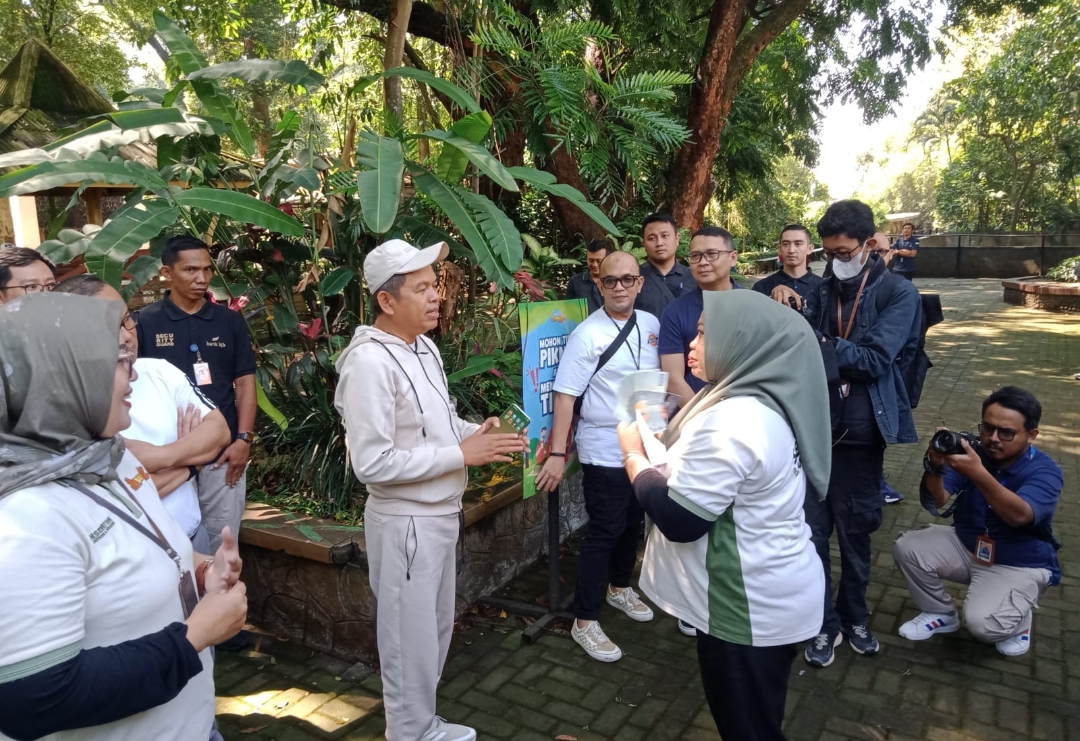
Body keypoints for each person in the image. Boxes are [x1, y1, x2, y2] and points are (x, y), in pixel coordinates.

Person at [0, 292, 246, 741]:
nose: (135, 374)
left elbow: (148, 546)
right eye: (119, 362)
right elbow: (31, 697)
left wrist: (201, 572)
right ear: (61, 376)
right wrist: (193, 637)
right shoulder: (24, 518)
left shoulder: (110, 456)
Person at [335, 239, 526, 741]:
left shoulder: (424, 347)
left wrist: (475, 434)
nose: (436, 295)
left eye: (434, 284)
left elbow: (436, 424)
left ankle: (422, 724)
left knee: (434, 630)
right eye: (421, 288)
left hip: (439, 516)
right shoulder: (368, 364)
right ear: (387, 301)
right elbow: (371, 463)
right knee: (407, 640)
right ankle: (409, 732)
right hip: (405, 523)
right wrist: (460, 456)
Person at [618, 290, 830, 741]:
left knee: (748, 730)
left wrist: (634, 458)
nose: (691, 345)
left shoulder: (736, 421)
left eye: (701, 334)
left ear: (741, 342)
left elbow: (681, 520)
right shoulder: (761, 396)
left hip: (746, 607)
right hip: (773, 587)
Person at [801, 200, 922, 668]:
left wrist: (822, 343)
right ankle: (822, 623)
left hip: (860, 436)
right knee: (812, 538)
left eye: (844, 250)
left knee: (855, 536)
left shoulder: (897, 293)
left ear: (869, 244)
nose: (836, 259)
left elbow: (876, 359)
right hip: (814, 432)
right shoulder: (821, 288)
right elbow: (798, 348)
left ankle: (854, 616)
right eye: (828, 251)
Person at [537, 251, 661, 662]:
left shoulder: (651, 325)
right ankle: (584, 620)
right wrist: (558, 452)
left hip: (643, 447)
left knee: (632, 523)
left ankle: (620, 587)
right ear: (600, 285)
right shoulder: (587, 335)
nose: (621, 287)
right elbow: (566, 395)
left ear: (640, 283)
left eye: (628, 279)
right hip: (605, 449)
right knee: (605, 529)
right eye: (611, 281)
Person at [56, 273, 232, 552]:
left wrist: (163, 457)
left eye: (127, 319)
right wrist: (191, 463)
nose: (127, 335)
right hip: (129, 556)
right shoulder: (65, 402)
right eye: (109, 326)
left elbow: (219, 430)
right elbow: (123, 498)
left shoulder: (158, 371)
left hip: (190, 538)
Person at [894, 387, 1062, 657]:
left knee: (983, 625)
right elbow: (938, 500)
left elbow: (1020, 516)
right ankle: (941, 614)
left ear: (1032, 435)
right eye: (987, 428)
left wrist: (978, 473)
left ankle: (1019, 622)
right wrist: (935, 465)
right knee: (908, 547)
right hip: (969, 546)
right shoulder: (976, 453)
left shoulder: (1045, 471)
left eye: (1006, 432)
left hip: (1018, 562)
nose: (993, 439)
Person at [135, 236, 257, 553]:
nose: (201, 278)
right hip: (169, 455)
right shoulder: (144, 323)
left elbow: (245, 383)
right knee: (173, 537)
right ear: (167, 272)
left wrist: (243, 439)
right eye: (190, 270)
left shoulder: (229, 321)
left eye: (206, 269)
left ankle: (225, 601)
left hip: (224, 453)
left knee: (223, 541)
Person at [659, 226, 741, 409]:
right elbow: (673, 379)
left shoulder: (752, 305)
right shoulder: (675, 311)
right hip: (694, 416)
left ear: (733, 257)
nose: (703, 262)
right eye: (695, 256)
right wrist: (706, 419)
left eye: (712, 254)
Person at [634, 213, 697, 320]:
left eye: (665, 236)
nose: (659, 243)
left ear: (677, 239)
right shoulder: (633, 278)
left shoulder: (694, 278)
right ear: (644, 244)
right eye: (651, 238)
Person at [751, 224, 822, 310]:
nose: (791, 250)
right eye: (786, 244)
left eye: (798, 244)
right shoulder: (761, 287)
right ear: (780, 249)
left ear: (810, 249)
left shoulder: (823, 287)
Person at [564, 239, 611, 314]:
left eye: (599, 261)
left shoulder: (615, 281)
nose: (595, 265)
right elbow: (568, 310)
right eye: (591, 261)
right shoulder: (576, 281)